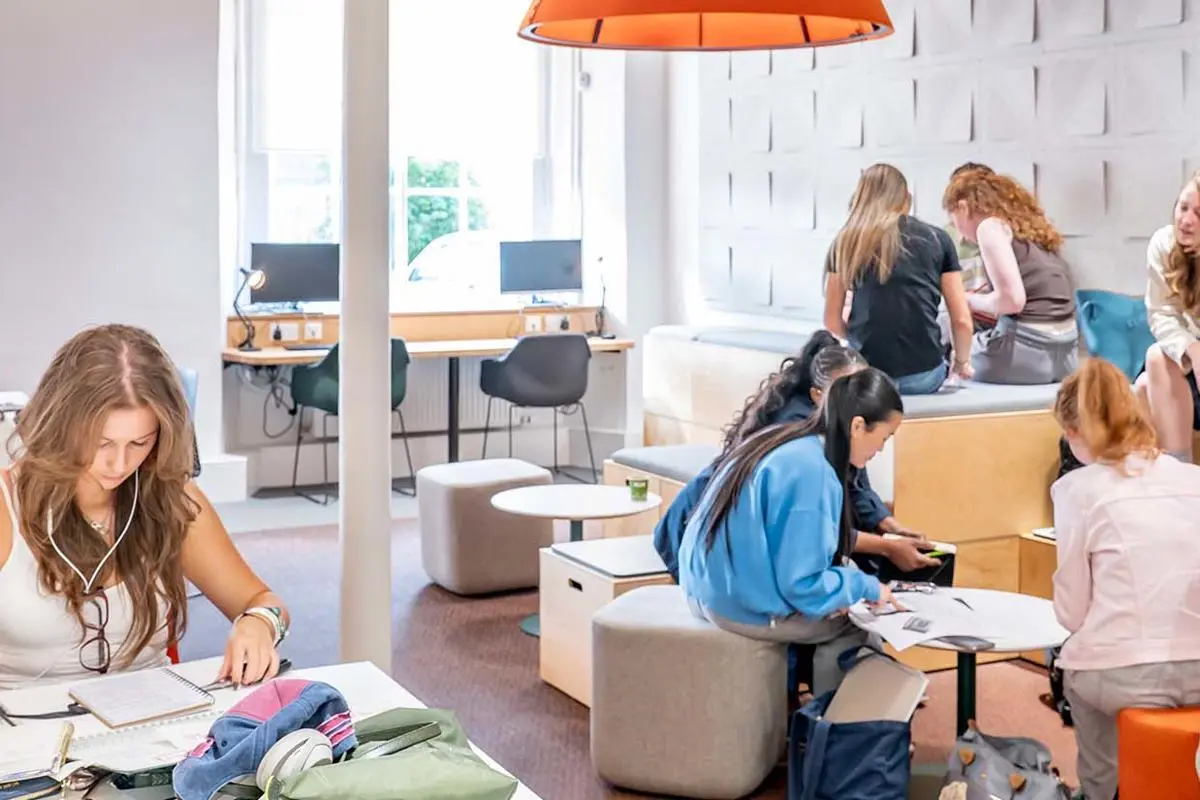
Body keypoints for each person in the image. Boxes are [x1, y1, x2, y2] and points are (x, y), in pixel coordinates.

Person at [0, 325, 289, 690]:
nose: (119, 464)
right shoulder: (6, 506)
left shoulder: (171, 501)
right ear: (59, 426)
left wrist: (260, 623)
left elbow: (266, 602)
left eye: (139, 443)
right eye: (101, 443)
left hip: (151, 726)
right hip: (23, 732)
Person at [679, 367, 904, 696]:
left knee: (845, 595)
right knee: (854, 627)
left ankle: (862, 722)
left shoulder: (790, 439)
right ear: (858, 426)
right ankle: (840, 735)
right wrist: (866, 587)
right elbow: (803, 585)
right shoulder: (814, 474)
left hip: (706, 585)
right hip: (733, 604)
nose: (880, 449)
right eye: (884, 437)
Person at [654, 330, 936, 581]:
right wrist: (885, 548)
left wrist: (887, 525)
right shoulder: (802, 446)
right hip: (704, 539)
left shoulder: (836, 429)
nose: (854, 399)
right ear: (816, 395)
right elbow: (811, 535)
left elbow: (855, 485)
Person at [1051, 358, 1200, 800]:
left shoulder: (1078, 489)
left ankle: (1102, 791)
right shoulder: (1194, 479)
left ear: (1076, 432)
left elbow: (1071, 613)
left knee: (1076, 677)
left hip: (1121, 675)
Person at [824, 163, 974, 395]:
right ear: (906, 199)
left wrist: (856, 339)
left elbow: (832, 321)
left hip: (866, 376)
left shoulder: (846, 242)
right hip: (924, 376)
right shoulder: (938, 238)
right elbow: (962, 320)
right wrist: (961, 363)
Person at [943, 169, 1077, 385]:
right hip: (1067, 353)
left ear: (962, 206)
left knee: (951, 349)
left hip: (1025, 352)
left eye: (953, 219)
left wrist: (965, 299)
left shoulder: (989, 227)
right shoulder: (1032, 232)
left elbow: (1012, 301)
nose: (958, 231)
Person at [1137, 169, 1200, 463]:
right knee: (1154, 362)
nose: (1186, 220)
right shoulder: (1163, 243)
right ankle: (1180, 473)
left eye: (1199, 213)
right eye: (1183, 207)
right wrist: (1193, 350)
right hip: (1190, 362)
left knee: (1146, 387)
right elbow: (1160, 313)